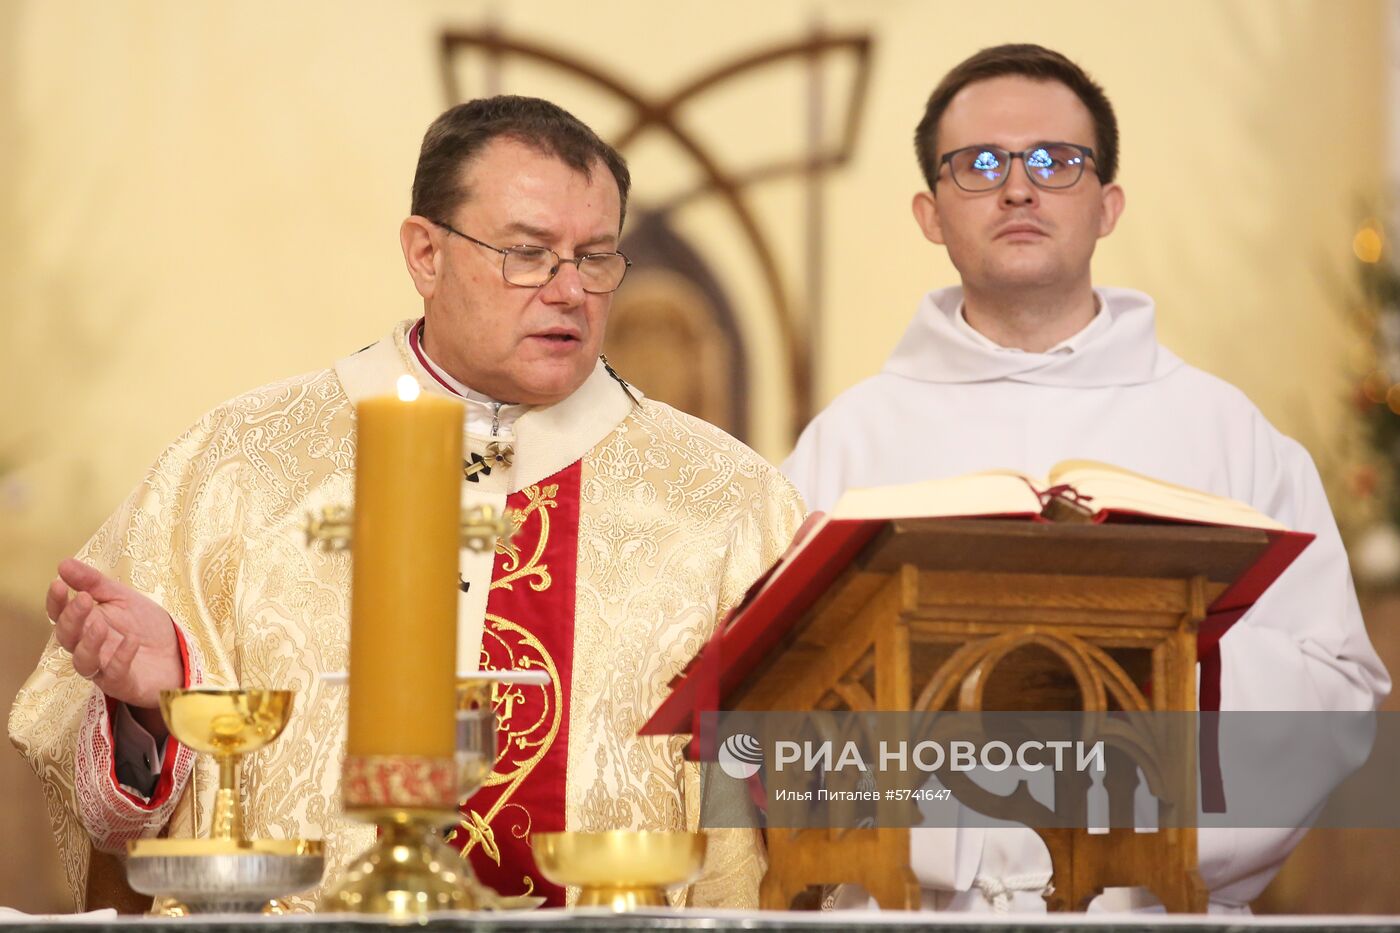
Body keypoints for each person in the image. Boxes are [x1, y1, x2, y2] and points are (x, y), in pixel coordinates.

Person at [10, 96, 804, 911]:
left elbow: (799, 824)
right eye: (529, 254)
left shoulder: (727, 502)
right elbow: (85, 772)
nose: (570, 290)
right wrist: (149, 709)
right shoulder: (240, 468)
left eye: (596, 257)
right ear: (425, 253)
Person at [782, 44, 1389, 913]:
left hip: (1155, 910)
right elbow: (780, 699)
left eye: (1057, 162)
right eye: (981, 164)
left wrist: (1149, 726)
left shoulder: (1227, 434)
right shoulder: (846, 444)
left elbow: (1334, 684)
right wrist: (952, 840)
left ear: (1107, 206)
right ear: (930, 212)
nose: (1019, 188)